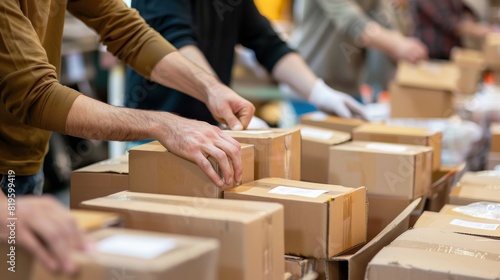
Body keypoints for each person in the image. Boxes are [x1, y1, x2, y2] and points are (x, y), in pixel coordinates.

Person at [0, 0, 255, 275]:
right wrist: (163, 124)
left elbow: (125, 28)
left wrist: (210, 88)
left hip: (25, 163)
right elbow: (34, 94)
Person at [125, 0, 368, 129]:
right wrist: (221, 97)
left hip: (211, 128)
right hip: (158, 131)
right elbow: (177, 42)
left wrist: (320, 93)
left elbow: (268, 44)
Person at [288, 0, 429, 99]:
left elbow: (383, 20)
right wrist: (398, 45)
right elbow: (353, 22)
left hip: (349, 87)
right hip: (308, 84)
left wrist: (403, 47)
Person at [410, 0, 493, 60]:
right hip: (431, 57)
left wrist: (472, 18)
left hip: (450, 54)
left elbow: (463, 8)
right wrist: (476, 29)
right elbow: (447, 22)